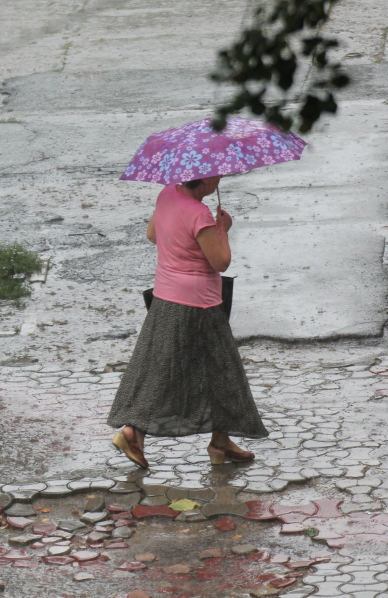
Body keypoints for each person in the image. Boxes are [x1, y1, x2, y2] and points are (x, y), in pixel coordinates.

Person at [107, 176, 268, 468]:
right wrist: (223, 229)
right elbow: (220, 262)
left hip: (165, 295)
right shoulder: (199, 214)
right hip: (199, 304)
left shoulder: (167, 194)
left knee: (191, 368)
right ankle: (133, 432)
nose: (220, 179)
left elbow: (152, 234)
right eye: (216, 175)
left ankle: (219, 440)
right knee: (205, 372)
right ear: (204, 179)